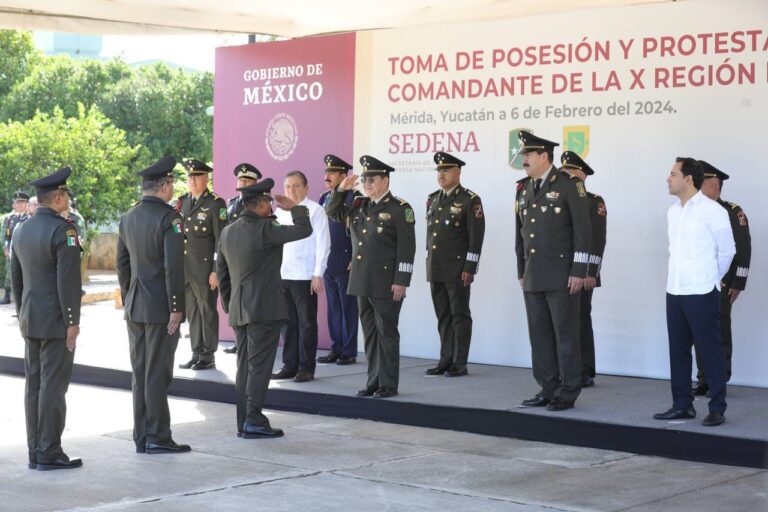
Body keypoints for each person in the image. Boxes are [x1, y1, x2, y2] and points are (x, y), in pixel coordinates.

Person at [217, 178, 312, 438]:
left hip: (240, 309)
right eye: (268, 202)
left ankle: (244, 419)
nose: (271, 207)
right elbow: (304, 230)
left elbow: (222, 274)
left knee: (244, 366)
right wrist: (294, 207)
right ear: (260, 204)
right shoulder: (266, 229)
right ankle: (254, 420)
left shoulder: (228, 231)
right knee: (259, 366)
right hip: (263, 309)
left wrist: (231, 304)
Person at [116, 155, 191, 454]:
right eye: (171, 182)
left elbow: (122, 265)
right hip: (161, 308)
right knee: (157, 373)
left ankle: (142, 436)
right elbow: (173, 268)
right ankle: (158, 436)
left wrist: (129, 296)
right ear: (164, 186)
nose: (172, 187)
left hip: (136, 305)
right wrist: (176, 306)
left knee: (141, 372)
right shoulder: (170, 218)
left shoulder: (128, 217)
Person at [325, 155, 416, 399]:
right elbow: (332, 212)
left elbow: (407, 248)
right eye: (364, 180)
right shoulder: (358, 205)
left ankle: (388, 383)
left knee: (386, 332)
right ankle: (373, 381)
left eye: (372, 180)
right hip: (361, 281)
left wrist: (401, 281)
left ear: (385, 181)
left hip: (386, 283)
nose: (367, 184)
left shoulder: (400, 209)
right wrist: (341, 190)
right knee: (370, 335)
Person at [654, 157, 735, 427]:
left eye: (673, 173)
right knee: (678, 351)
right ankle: (682, 405)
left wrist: (711, 278)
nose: (668, 178)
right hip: (675, 290)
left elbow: (728, 251)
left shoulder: (713, 210)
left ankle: (717, 408)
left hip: (702, 291)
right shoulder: (672, 212)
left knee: (709, 351)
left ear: (688, 178)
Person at [10, 167, 82, 470]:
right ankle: (50, 451)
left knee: (34, 385)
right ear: (59, 197)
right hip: (55, 322)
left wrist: (22, 313)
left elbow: (16, 279)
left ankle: (35, 451)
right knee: (53, 386)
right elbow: (68, 283)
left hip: (30, 318)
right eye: (66, 194)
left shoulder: (20, 229)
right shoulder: (64, 231)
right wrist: (72, 322)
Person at [514, 131, 591, 412]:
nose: (524, 159)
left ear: (544, 156)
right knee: (540, 336)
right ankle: (547, 387)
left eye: (528, 155)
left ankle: (568, 390)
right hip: (533, 275)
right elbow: (520, 235)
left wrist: (579, 271)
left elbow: (583, 232)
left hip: (562, 276)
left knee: (565, 337)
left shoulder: (570, 185)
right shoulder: (524, 189)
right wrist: (521, 271)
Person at [692, 161, 751, 397]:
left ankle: (719, 378)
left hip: (723, 283)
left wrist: (738, 282)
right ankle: (703, 377)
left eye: (702, 184)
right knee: (699, 330)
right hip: (697, 282)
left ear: (715, 186)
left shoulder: (731, 211)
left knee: (719, 330)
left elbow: (742, 248)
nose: (697, 187)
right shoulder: (693, 210)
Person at [424, 152, 485, 378]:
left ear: (458, 172)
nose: (441, 175)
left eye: (446, 170)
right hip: (436, 267)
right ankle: (445, 360)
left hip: (457, 270)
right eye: (439, 171)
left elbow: (476, 237)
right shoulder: (433, 199)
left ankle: (459, 363)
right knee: (443, 316)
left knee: (459, 315)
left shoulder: (469, 200)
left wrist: (470, 267)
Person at [270, 171, 330, 383]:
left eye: (296, 186)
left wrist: (318, 273)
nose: (291, 190)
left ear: (306, 188)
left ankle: (306, 367)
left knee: (306, 323)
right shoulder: (279, 211)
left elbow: (323, 243)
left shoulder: (315, 210)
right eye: (287, 186)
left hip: (305, 275)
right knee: (287, 324)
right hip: (283, 274)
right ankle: (289, 365)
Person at [560, 151, 607, 388]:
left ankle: (584, 369)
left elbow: (597, 238)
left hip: (583, 271)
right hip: (560, 270)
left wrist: (590, 271)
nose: (565, 176)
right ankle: (565, 369)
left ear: (582, 175)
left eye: (569, 172)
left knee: (580, 320)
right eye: (563, 172)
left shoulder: (593, 201)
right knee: (563, 322)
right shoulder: (557, 198)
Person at [176, 159, 227, 371]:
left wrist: (216, 270)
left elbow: (221, 240)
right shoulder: (182, 202)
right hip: (187, 269)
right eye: (190, 177)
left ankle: (208, 355)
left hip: (205, 271)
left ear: (206, 178)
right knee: (193, 312)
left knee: (207, 311)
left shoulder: (216, 203)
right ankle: (196, 352)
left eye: (197, 177)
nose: (193, 180)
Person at [317, 154, 361, 366]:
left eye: (332, 173)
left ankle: (349, 351)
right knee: (333, 308)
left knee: (348, 308)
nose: (327, 176)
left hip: (346, 259)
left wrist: (354, 257)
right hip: (329, 260)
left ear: (344, 176)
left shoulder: (355, 198)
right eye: (326, 172)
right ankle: (336, 347)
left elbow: (359, 232)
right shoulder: (324, 197)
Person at [223, 163, 261, 355]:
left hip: (251, 261)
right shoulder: (231, 203)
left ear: (255, 183)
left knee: (250, 302)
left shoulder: (260, 204)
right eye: (241, 180)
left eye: (247, 180)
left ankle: (251, 342)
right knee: (233, 301)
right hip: (232, 261)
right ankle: (239, 341)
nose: (243, 183)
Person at [2, 191, 31, 303]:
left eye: (21, 202)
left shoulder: (30, 219)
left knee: (24, 277)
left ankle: (24, 301)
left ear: (27, 204)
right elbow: (7, 235)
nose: (18, 204)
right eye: (17, 202)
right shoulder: (12, 218)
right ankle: (10, 298)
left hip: (25, 253)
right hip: (12, 252)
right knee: (12, 276)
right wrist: (6, 248)